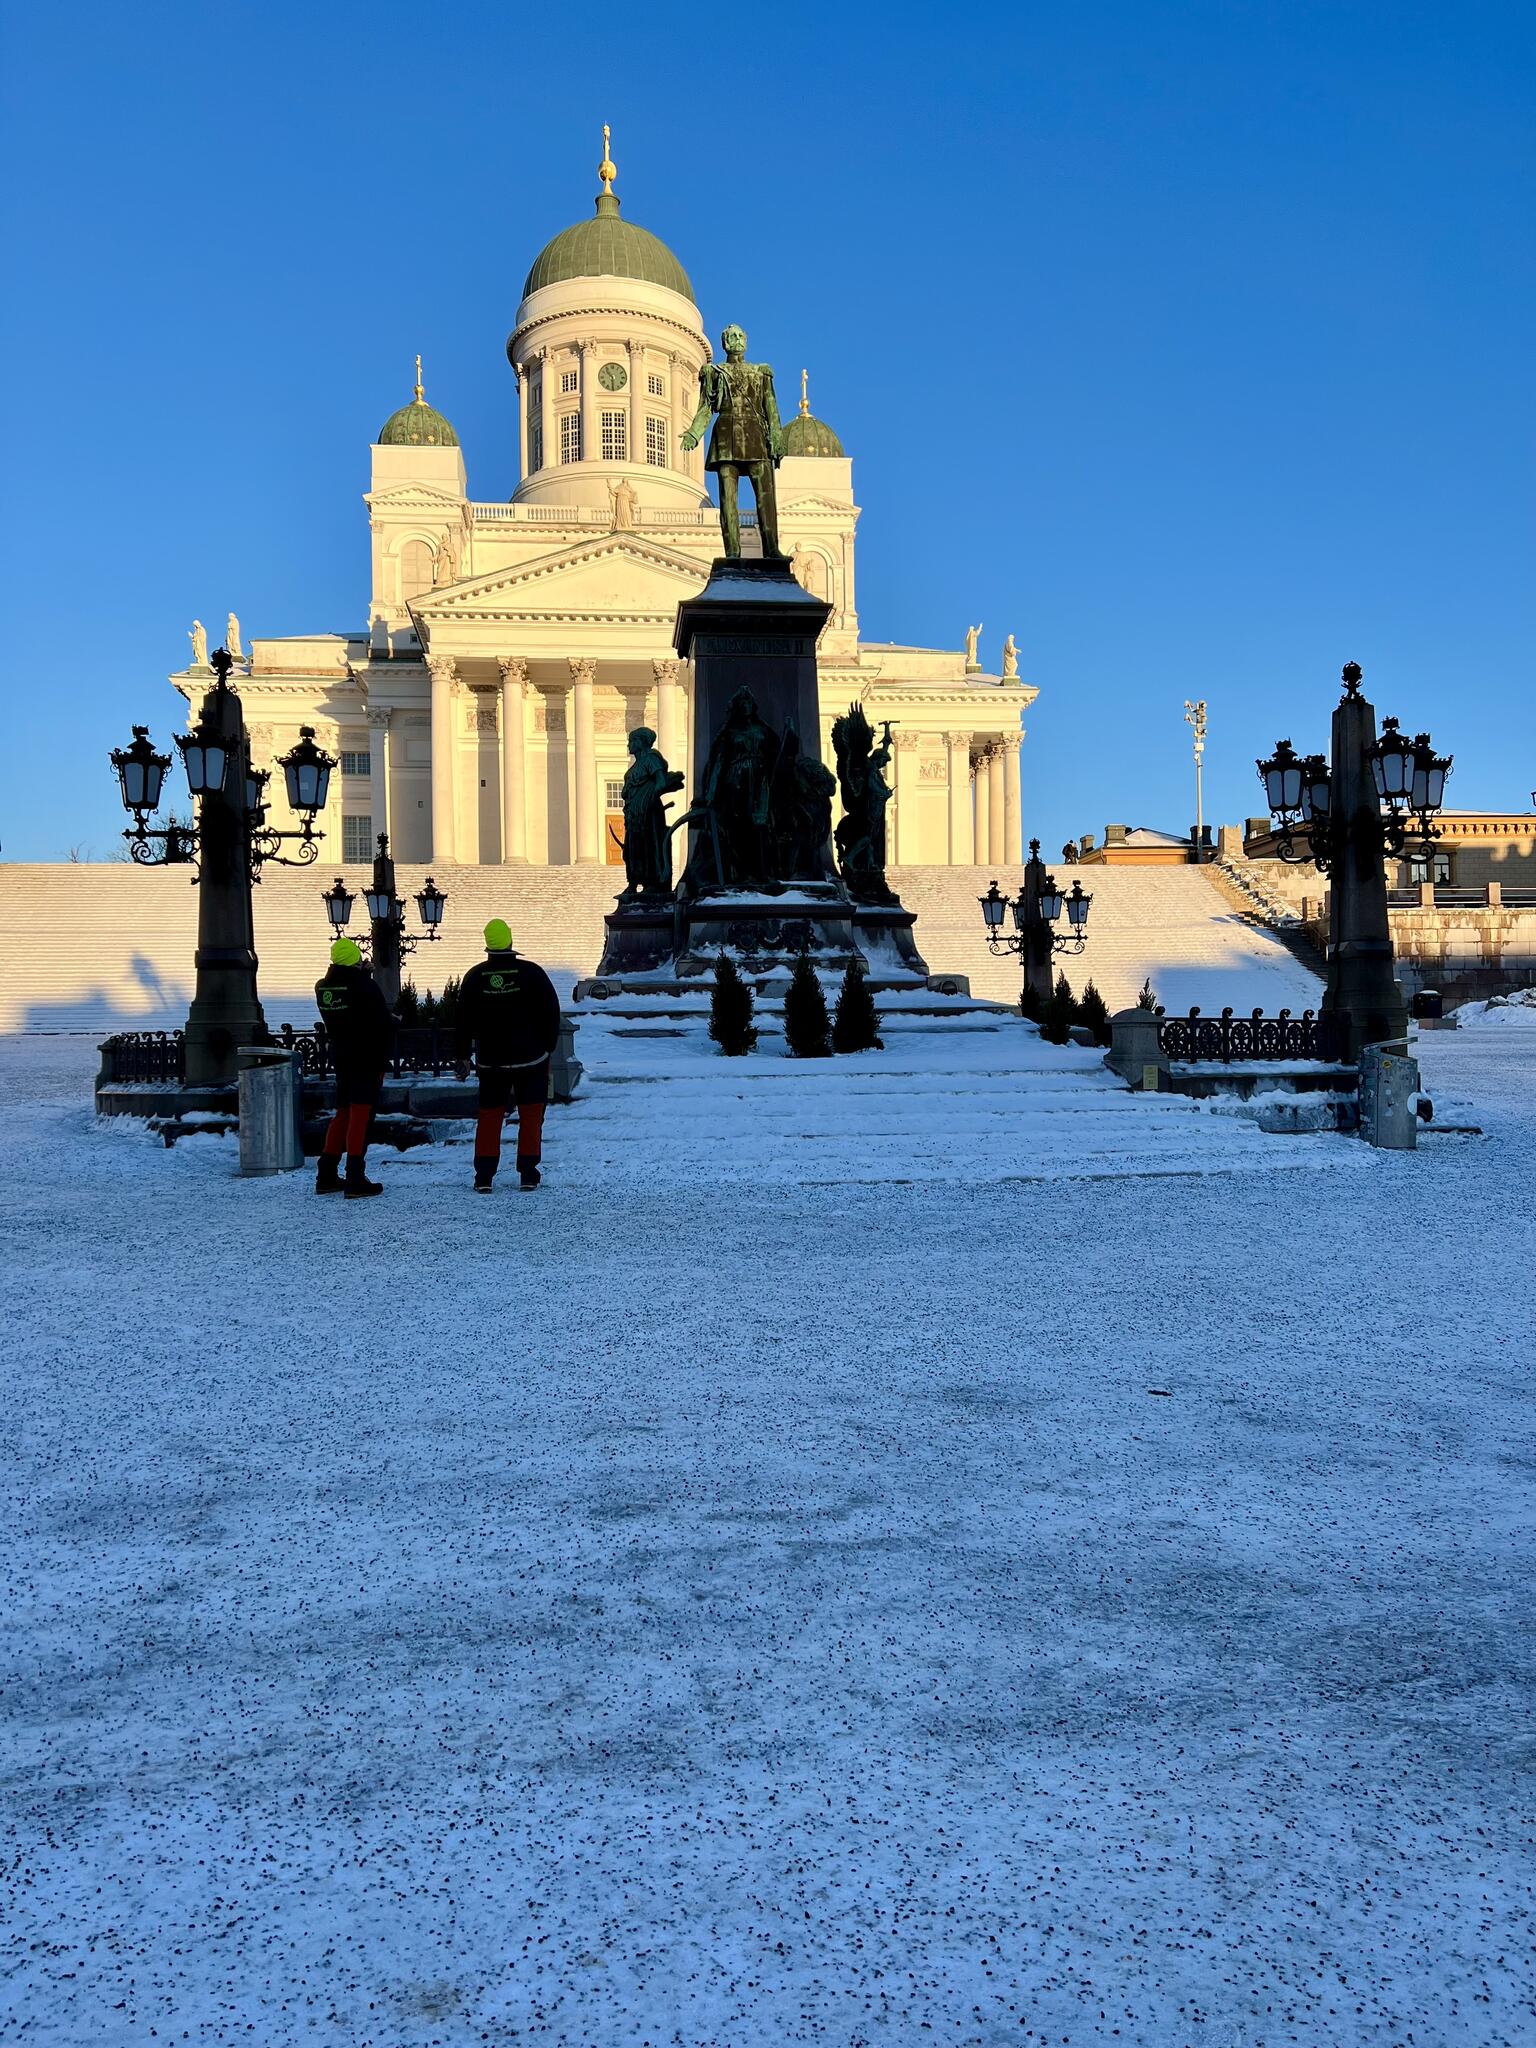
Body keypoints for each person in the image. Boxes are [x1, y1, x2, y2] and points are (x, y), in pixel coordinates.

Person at [454, 919, 562, 1192]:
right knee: (531, 1116)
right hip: (532, 1058)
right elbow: (551, 1012)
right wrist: (548, 1046)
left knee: (490, 1117)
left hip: (492, 1061)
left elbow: (463, 1021)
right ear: (511, 941)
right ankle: (528, 1174)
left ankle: (484, 1177)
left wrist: (463, 1055)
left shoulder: (474, 977)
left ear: (487, 945)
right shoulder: (532, 973)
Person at [314, 937, 395, 1198]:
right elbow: (381, 1023)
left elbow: (349, 1001)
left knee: (343, 1114)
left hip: (341, 1059)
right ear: (355, 961)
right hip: (366, 1059)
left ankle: (326, 1174)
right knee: (360, 1116)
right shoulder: (365, 986)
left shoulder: (323, 988)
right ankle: (355, 1177)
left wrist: (360, 974)